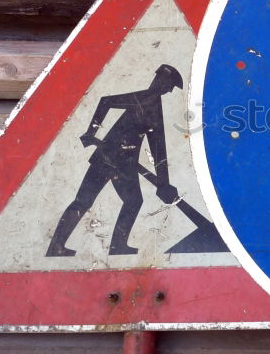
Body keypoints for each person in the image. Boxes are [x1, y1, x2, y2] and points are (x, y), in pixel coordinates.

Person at [46, 64, 182, 257]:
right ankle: (114, 246)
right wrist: (91, 132)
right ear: (161, 81)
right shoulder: (145, 100)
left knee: (92, 201)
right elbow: (105, 101)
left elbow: (158, 147)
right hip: (117, 161)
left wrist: (163, 183)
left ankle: (59, 246)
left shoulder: (151, 103)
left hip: (112, 159)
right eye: (169, 86)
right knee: (126, 201)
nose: (169, 90)